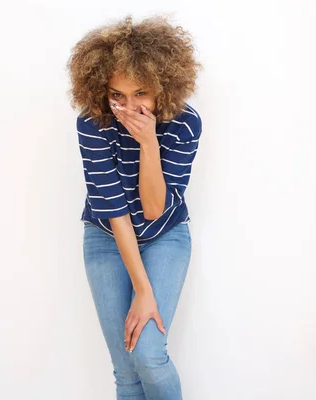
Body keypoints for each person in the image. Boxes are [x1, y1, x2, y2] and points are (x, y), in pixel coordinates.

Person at [66, 14, 203, 400]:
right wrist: (143, 289)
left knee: (149, 355)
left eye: (141, 93)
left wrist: (149, 144)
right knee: (126, 369)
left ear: (163, 87)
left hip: (165, 237)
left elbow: (155, 209)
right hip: (109, 236)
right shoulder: (92, 123)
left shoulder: (184, 124)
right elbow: (116, 210)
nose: (129, 107)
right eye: (118, 95)